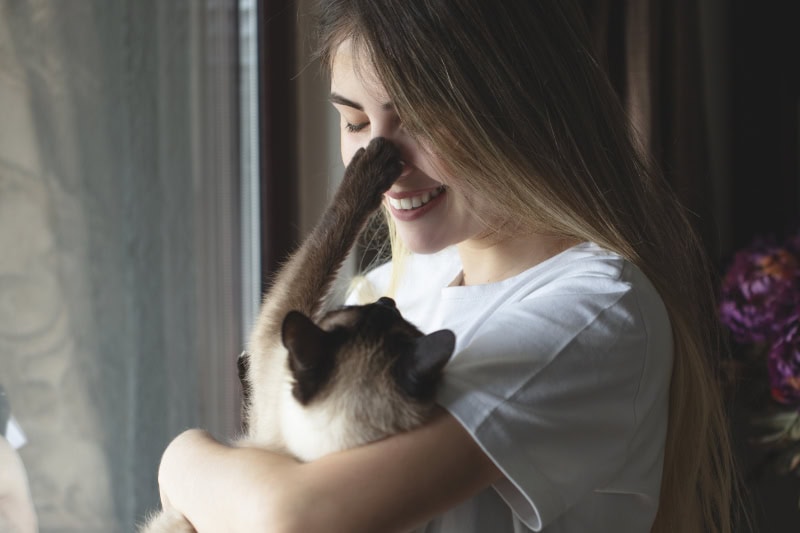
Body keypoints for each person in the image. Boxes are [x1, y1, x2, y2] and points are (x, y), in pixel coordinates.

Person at [156, 1, 742, 531]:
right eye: (356, 122)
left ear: (516, 106)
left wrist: (182, 456)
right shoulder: (388, 292)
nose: (379, 159)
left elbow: (293, 519)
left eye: (418, 117)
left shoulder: (592, 313)